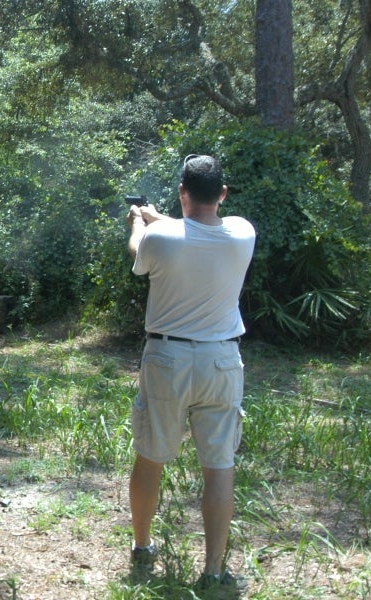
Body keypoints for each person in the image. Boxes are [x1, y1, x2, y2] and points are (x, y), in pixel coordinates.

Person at [125, 154, 256, 593]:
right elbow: (197, 228)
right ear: (222, 194)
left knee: (151, 457)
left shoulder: (159, 237)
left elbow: (140, 253)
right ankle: (214, 569)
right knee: (219, 468)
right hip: (222, 361)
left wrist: (138, 223)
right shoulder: (242, 233)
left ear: (182, 190)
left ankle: (143, 547)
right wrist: (157, 217)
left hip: (168, 360)